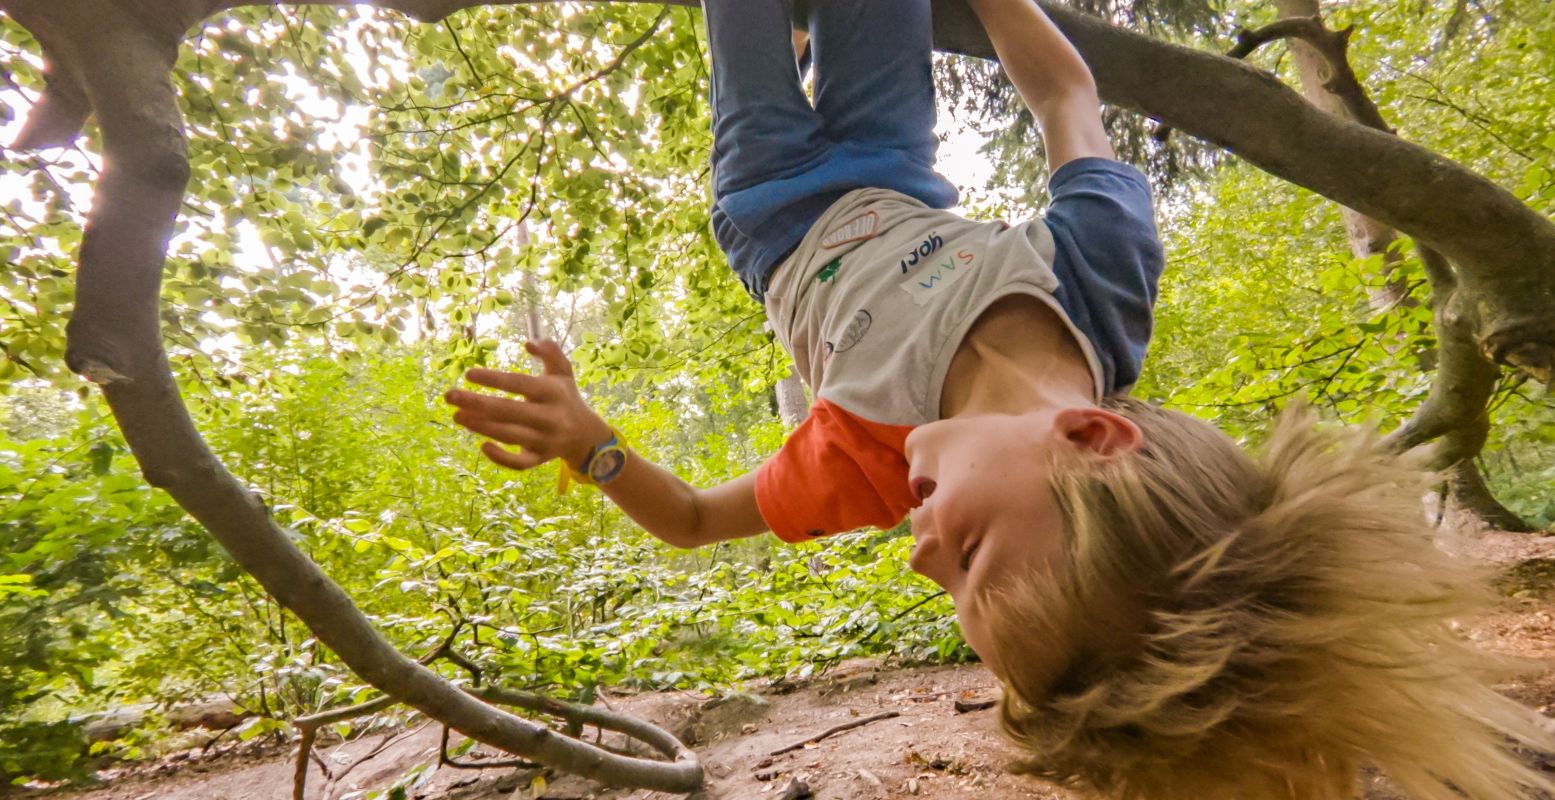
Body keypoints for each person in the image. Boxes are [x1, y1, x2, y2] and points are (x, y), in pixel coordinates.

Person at [446, 1, 1555, 797]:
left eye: (947, 584)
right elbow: (1066, 91)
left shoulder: (868, 462)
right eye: (968, 552)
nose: (919, 554)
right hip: (892, 158)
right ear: (1089, 432)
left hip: (771, 203)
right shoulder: (1100, 281)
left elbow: (688, 519)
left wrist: (591, 444)